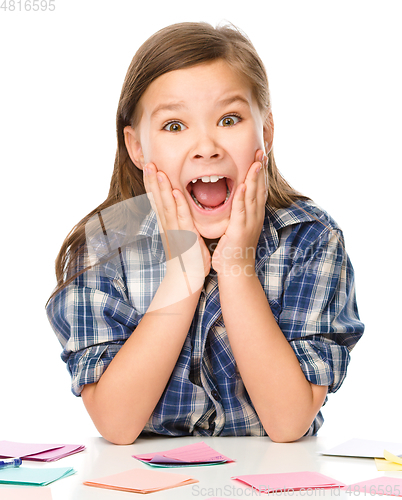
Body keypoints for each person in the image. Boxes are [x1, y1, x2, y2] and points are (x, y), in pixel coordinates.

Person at [46, 21, 364, 445]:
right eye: (175, 126)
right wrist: (183, 272)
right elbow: (116, 425)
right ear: (137, 147)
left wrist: (236, 268)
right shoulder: (103, 246)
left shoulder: (311, 241)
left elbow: (289, 422)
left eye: (229, 119)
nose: (206, 146)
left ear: (265, 133)